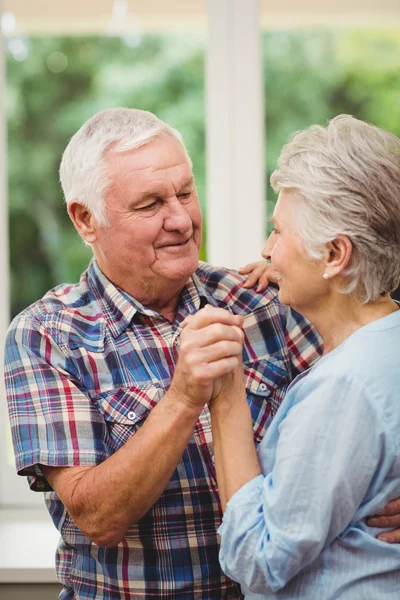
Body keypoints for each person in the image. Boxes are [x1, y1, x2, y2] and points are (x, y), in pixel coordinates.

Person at [4, 108, 399, 599]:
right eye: (150, 204)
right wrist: (184, 398)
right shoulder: (48, 335)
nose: (181, 219)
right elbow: (96, 519)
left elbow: (377, 377)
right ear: (87, 220)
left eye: (186, 193)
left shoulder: (263, 298)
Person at [190, 115, 400, 598]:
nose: (266, 251)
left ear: (334, 256)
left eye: (279, 234)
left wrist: (225, 398)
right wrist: (292, 278)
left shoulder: (344, 387)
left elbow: (259, 559)